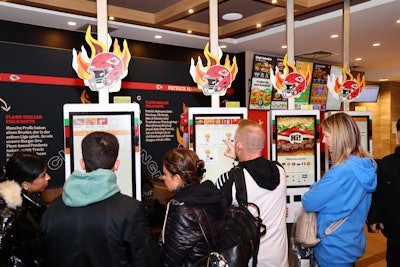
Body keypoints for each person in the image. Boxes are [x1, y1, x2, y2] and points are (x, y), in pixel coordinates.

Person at [41, 131, 161, 267]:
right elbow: (145, 261)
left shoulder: (52, 210)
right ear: (116, 164)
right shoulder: (130, 210)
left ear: (82, 163)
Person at [302, 112, 377, 267]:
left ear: (338, 137)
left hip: (333, 248)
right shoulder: (365, 166)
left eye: (327, 136)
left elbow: (308, 201)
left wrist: (316, 186)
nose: (323, 141)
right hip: (350, 242)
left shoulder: (340, 173)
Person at [215, 119, 289, 267]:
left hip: (251, 260)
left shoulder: (231, 180)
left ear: (239, 145)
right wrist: (238, 156)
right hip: (280, 260)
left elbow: (213, 218)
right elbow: (256, 168)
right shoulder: (279, 171)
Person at [160, 148, 227, 267]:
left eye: (165, 174)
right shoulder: (212, 196)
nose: (163, 178)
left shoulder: (185, 211)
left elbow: (171, 259)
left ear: (177, 178)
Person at [0, 151, 50, 266]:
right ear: (25, 184)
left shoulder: (28, 202)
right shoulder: (8, 214)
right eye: (43, 175)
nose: (48, 177)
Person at [367, 118, 400, 267]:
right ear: (398, 135)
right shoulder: (387, 164)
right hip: (395, 238)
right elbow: (377, 193)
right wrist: (374, 217)